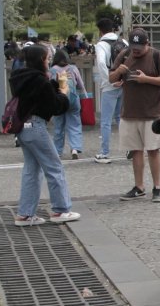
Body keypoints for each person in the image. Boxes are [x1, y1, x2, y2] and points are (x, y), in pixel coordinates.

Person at [9, 45, 81, 226]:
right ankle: (61, 210)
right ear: (41, 60)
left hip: (23, 128)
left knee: (31, 170)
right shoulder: (39, 80)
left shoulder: (22, 77)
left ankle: (25, 214)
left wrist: (54, 84)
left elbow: (39, 95)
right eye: (47, 58)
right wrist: (63, 90)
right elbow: (56, 106)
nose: (49, 61)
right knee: (54, 167)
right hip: (36, 127)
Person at [110, 28, 160, 201]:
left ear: (148, 44)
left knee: (153, 150)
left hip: (152, 112)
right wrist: (119, 72)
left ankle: (158, 187)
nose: (136, 50)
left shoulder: (157, 56)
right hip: (130, 112)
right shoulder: (124, 55)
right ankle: (139, 186)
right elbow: (111, 79)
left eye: (139, 46)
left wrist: (146, 79)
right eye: (133, 46)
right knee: (135, 151)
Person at [93, 17, 125, 163]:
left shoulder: (100, 45)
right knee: (121, 118)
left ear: (100, 31)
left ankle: (105, 153)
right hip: (124, 85)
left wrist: (111, 80)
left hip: (109, 86)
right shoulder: (123, 42)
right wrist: (122, 79)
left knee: (106, 121)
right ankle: (129, 149)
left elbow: (100, 63)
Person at [49, 49, 86, 159]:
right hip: (73, 100)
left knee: (58, 127)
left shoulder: (52, 70)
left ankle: (57, 151)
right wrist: (85, 97)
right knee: (74, 124)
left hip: (58, 101)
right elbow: (81, 85)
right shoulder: (73, 68)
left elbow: (49, 86)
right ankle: (74, 148)